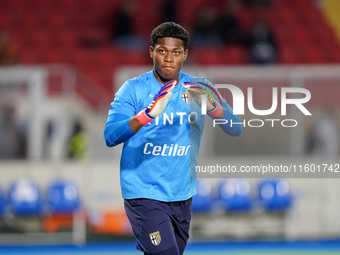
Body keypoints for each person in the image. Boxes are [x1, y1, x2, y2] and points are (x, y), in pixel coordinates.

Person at [104, 22, 242, 255]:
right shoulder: (133, 89)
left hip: (182, 195)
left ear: (185, 55)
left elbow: (235, 127)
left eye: (176, 52)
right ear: (151, 52)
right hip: (143, 194)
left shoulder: (200, 87)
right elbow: (110, 135)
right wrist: (146, 115)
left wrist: (213, 108)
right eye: (162, 51)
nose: (169, 58)